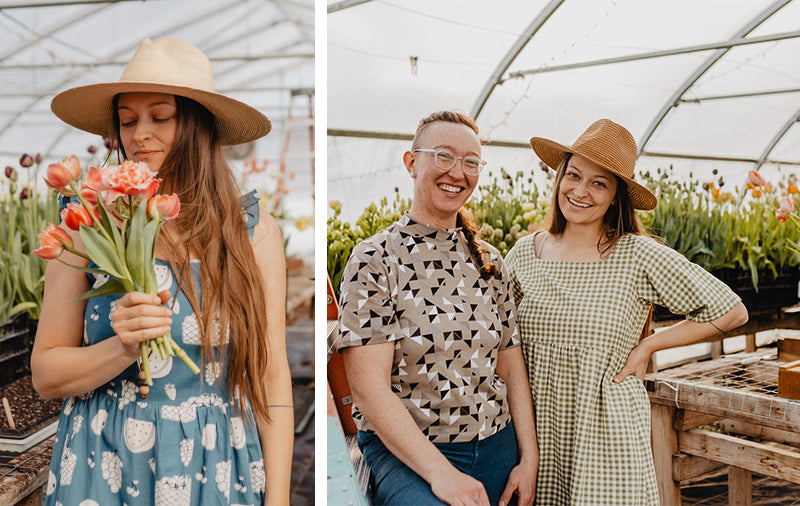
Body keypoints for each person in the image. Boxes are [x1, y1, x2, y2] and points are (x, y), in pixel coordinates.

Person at [31, 38, 293, 505]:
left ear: (196, 125)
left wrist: (277, 501)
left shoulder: (250, 231)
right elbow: (46, 373)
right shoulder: (86, 223)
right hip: (103, 465)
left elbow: (271, 380)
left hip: (215, 467)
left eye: (160, 116)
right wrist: (123, 347)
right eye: (127, 121)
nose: (138, 135)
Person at [505, 118, 749, 505]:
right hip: (537, 435)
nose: (580, 191)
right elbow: (503, 346)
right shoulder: (524, 254)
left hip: (605, 436)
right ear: (559, 178)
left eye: (599, 183)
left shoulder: (636, 254)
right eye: (574, 175)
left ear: (616, 195)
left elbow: (730, 310)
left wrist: (648, 347)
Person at [337, 111, 539, 506]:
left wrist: (528, 458)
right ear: (412, 163)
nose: (457, 172)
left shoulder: (489, 260)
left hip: (497, 446)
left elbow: (512, 366)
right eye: (443, 156)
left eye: (470, 162)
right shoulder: (376, 258)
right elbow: (368, 388)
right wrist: (442, 474)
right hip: (412, 454)